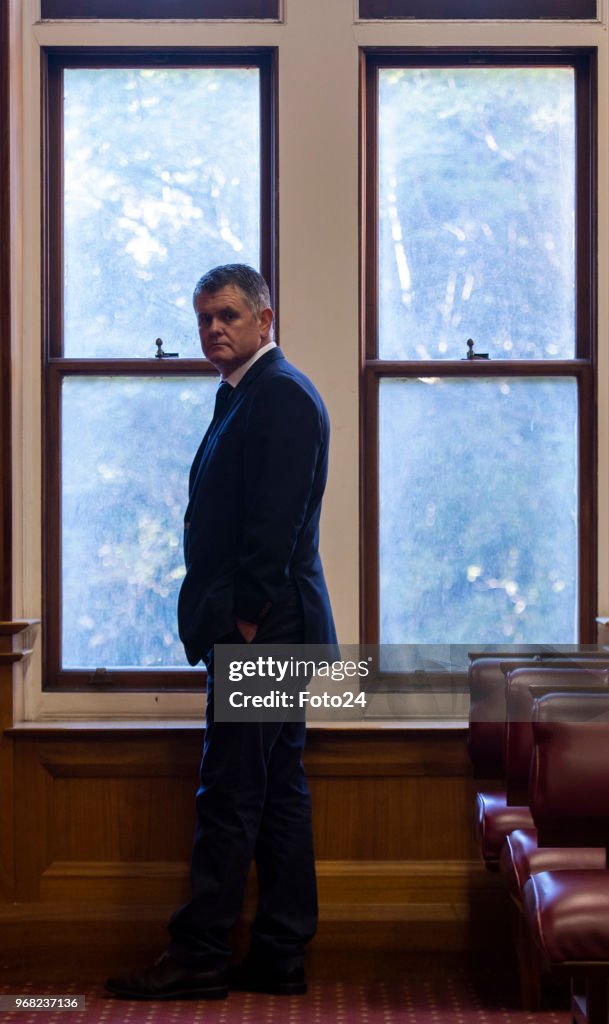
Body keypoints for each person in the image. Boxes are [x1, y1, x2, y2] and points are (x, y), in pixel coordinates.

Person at [105, 264, 337, 1001]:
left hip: (265, 631)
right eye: (204, 317)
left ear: (265, 320)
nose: (213, 329)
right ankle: (277, 954)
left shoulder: (280, 398)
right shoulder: (249, 394)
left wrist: (241, 623)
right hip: (275, 629)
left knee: (231, 792)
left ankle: (202, 955)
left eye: (228, 315)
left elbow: (273, 525)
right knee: (272, 792)